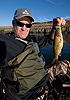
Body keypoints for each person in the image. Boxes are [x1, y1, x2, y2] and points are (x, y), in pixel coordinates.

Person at [0, 8, 66, 100]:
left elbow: (49, 39)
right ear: (13, 23)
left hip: (44, 80)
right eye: (20, 24)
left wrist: (55, 27)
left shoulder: (31, 39)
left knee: (66, 64)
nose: (24, 28)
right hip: (28, 94)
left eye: (28, 25)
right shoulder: (3, 41)